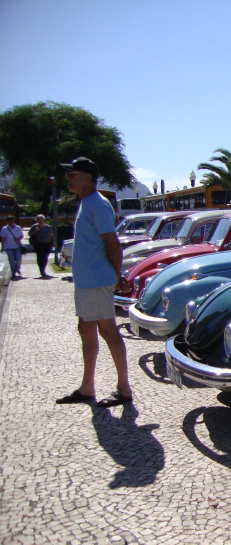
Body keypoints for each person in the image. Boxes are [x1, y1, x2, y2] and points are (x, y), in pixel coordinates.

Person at [56, 157, 134, 408]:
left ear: (87, 177)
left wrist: (116, 275)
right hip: (86, 281)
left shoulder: (97, 205)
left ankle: (123, 388)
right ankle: (87, 387)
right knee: (86, 330)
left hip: (96, 280)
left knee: (108, 331)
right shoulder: (85, 203)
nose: (68, 178)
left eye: (72, 174)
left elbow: (113, 243)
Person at [0, 215, 25, 280]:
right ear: (7, 221)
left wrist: (18, 239)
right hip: (9, 247)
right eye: (9, 221)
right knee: (12, 260)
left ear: (14, 221)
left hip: (17, 246)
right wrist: (3, 247)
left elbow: (22, 235)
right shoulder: (4, 229)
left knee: (19, 259)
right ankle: (13, 272)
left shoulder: (18, 227)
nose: (11, 222)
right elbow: (2, 238)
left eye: (12, 220)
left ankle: (17, 269)